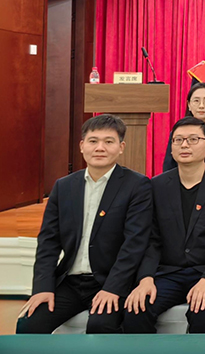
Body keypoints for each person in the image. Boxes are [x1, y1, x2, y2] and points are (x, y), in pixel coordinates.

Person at [17, 115, 152, 334]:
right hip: (70, 281)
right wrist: (42, 288)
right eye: (93, 141)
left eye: (109, 141)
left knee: (101, 325)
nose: (100, 148)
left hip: (110, 280)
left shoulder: (137, 185)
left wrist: (113, 288)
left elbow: (134, 244)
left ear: (121, 147)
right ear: (82, 146)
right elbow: (48, 242)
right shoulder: (63, 186)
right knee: (29, 324)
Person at [123, 117, 205, 333]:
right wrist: (146, 278)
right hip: (169, 273)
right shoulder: (157, 185)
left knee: (203, 311)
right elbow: (152, 239)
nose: (184, 145)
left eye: (193, 139)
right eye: (178, 140)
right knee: (136, 309)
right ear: (171, 148)